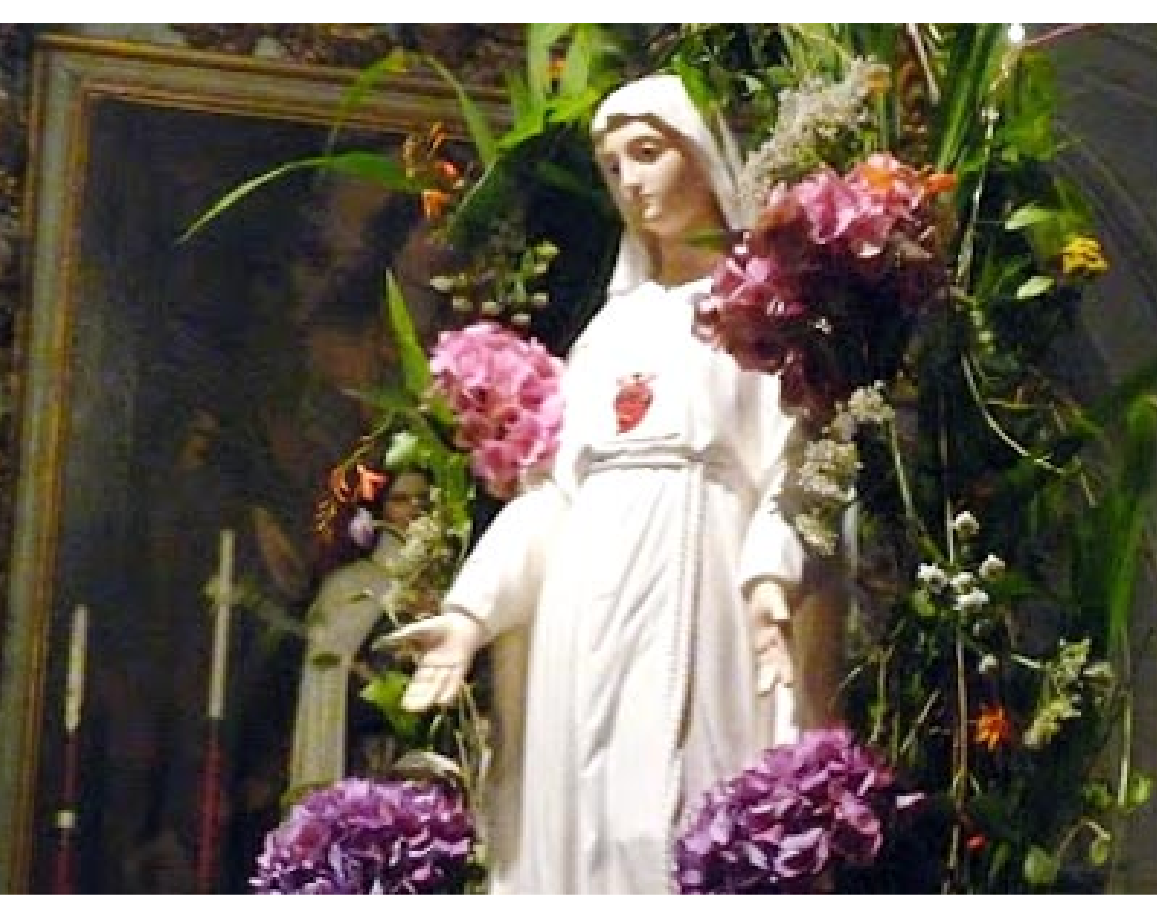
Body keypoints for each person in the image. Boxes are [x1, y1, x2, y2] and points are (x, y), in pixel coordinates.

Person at [382, 74, 829, 894]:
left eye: (648, 153)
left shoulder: (755, 315)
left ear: (701, 156)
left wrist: (772, 576)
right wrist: (471, 611)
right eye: (613, 164)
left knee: (682, 805)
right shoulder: (606, 331)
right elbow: (554, 497)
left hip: (702, 574)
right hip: (585, 601)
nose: (629, 180)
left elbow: (790, 464)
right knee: (584, 804)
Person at [288, 464, 432, 795]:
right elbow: (327, 671)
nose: (413, 509)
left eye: (423, 500)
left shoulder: (446, 585)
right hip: (363, 748)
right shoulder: (348, 585)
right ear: (381, 510)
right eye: (401, 499)